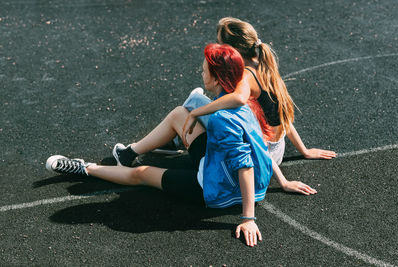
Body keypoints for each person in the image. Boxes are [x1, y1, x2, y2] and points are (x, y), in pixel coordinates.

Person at [46, 44, 272, 247]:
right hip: (231, 174)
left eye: (204, 71)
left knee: (141, 174)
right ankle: (131, 153)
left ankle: (85, 168)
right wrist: (281, 181)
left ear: (215, 79)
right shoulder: (244, 103)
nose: (201, 74)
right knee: (180, 114)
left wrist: (248, 218)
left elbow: (246, 166)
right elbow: (258, 149)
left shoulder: (224, 119)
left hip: (215, 189)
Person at [180, 17, 336, 195]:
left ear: (234, 49)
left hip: (263, 157)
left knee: (195, 101)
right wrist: (305, 151)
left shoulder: (246, 76)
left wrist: (283, 182)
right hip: (278, 150)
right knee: (218, 107)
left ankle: (177, 138)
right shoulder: (265, 65)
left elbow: (253, 134)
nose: (217, 48)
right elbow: (282, 117)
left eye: (219, 43)